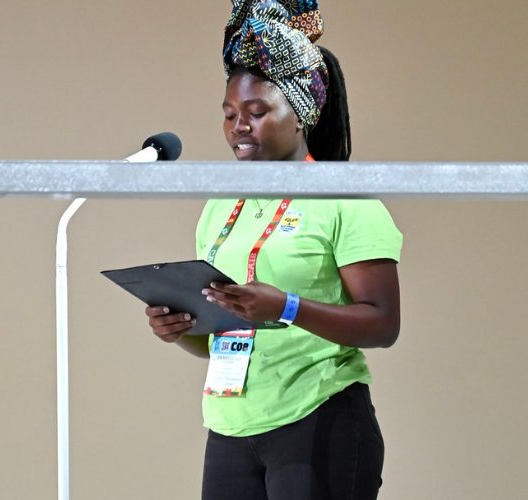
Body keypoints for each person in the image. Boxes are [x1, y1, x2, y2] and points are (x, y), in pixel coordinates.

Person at [145, 1, 403, 498]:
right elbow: (222, 334)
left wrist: (287, 307)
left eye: (257, 112)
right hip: (231, 426)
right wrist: (179, 329)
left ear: (301, 113)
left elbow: (383, 324)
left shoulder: (346, 201)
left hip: (318, 415)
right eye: (229, 115)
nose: (238, 126)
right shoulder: (220, 206)